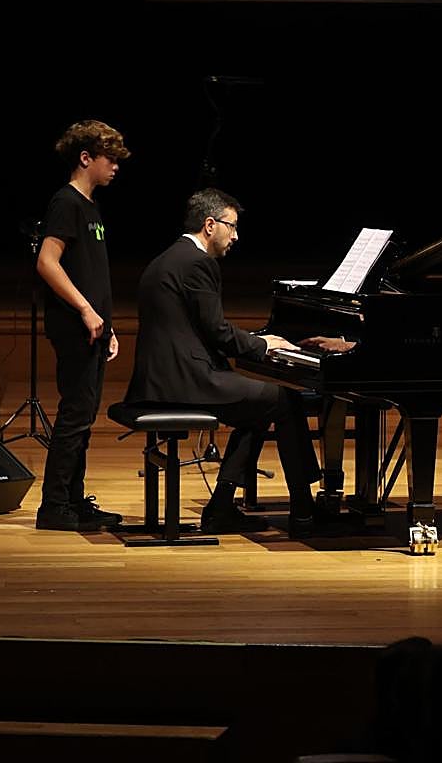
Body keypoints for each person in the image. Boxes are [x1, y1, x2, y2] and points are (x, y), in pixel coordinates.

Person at [123, 187, 352, 535]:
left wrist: (255, 345)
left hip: (163, 377)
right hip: (186, 379)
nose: (236, 236)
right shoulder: (198, 263)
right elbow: (217, 332)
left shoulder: (169, 257)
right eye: (232, 227)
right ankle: (304, 511)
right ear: (210, 224)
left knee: (258, 403)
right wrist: (262, 345)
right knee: (283, 399)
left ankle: (221, 506)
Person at [34, 120, 130, 531]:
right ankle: (54, 506)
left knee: (85, 414)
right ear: (85, 158)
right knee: (75, 413)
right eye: (110, 159)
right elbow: (46, 262)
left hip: (91, 327)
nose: (116, 167)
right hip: (74, 326)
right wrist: (86, 312)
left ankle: (73, 499)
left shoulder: (90, 206)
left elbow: (91, 273)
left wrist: (105, 323)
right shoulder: (66, 203)